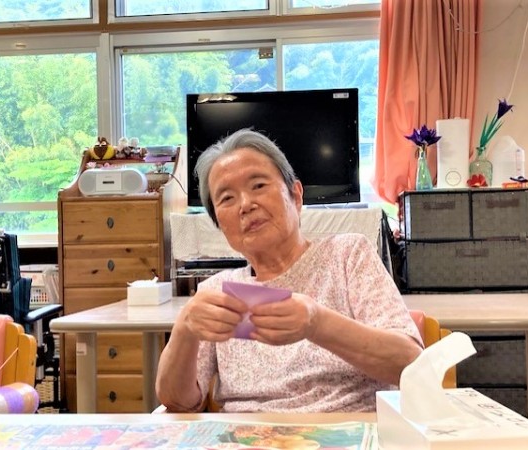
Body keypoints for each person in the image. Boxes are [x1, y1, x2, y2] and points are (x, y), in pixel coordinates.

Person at [155, 128, 423, 413]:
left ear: (295, 195)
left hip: (346, 429)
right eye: (227, 198)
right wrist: (184, 329)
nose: (246, 205)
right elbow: (178, 402)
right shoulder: (217, 294)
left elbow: (410, 364)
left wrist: (316, 323)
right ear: (219, 224)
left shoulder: (347, 256)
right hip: (247, 434)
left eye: (258, 185)